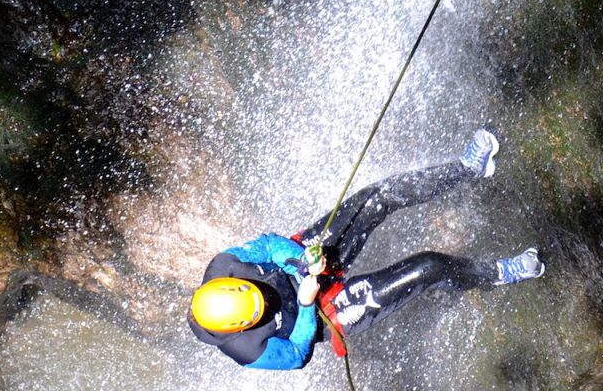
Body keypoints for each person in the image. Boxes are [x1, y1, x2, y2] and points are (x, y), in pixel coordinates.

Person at [187, 129, 545, 370]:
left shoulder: (225, 265)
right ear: (243, 325)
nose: (264, 300)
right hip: (327, 311)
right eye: (259, 310)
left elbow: (266, 245)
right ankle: (499, 274)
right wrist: (309, 303)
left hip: (302, 263)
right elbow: (297, 354)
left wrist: (298, 262)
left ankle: (468, 169)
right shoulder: (248, 350)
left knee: (377, 198)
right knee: (428, 267)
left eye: (257, 294)